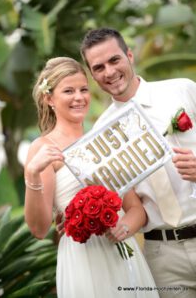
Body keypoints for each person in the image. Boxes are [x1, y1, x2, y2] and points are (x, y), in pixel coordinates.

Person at [24, 56, 160, 298]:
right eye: (68, 91)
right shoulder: (44, 148)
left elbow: (135, 209)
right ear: (48, 98)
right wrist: (33, 173)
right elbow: (39, 229)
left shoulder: (103, 140)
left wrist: (125, 227)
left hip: (122, 252)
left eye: (83, 89)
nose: (79, 97)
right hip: (81, 260)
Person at [79, 27, 196, 298]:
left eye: (114, 60)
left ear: (129, 55)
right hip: (163, 256)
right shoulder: (100, 133)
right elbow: (129, 202)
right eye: (98, 67)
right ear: (92, 74)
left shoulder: (183, 90)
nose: (109, 72)